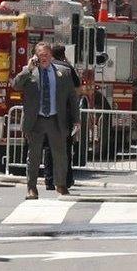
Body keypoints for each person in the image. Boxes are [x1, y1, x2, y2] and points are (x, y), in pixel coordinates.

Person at [13, 41, 79, 199]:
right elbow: (16, 85)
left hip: (56, 119)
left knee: (60, 155)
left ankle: (61, 185)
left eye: (47, 54)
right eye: (41, 55)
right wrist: (28, 69)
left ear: (51, 56)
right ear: (35, 56)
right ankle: (31, 188)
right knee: (33, 156)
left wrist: (76, 120)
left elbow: (72, 97)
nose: (44, 57)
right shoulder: (29, 72)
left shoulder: (63, 72)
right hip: (36, 120)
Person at [42, 45, 80, 191]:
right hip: (65, 115)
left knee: (48, 148)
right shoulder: (68, 68)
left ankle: (49, 180)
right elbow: (76, 88)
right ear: (63, 54)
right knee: (65, 148)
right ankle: (66, 180)